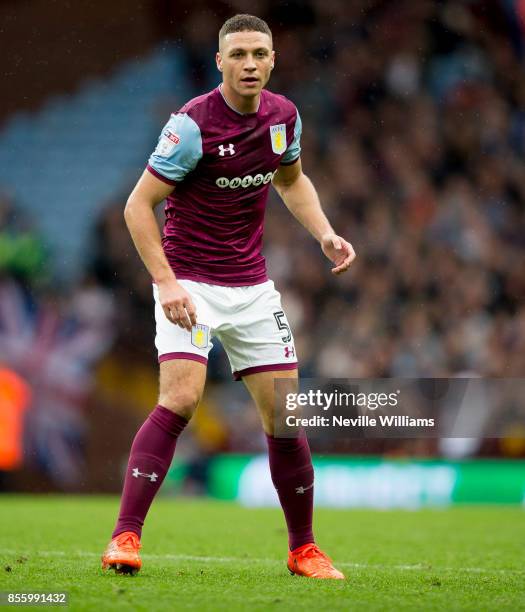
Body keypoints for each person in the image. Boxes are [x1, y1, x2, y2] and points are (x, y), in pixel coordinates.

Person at [101, 13, 355, 580]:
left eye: (258, 54)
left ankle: (303, 550)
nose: (249, 64)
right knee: (183, 399)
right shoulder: (191, 125)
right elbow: (137, 206)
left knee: (284, 419)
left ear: (272, 60)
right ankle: (125, 536)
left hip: (252, 287)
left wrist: (325, 234)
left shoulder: (284, 117)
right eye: (237, 54)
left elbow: (291, 181)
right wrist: (166, 282)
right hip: (189, 281)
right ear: (219, 61)